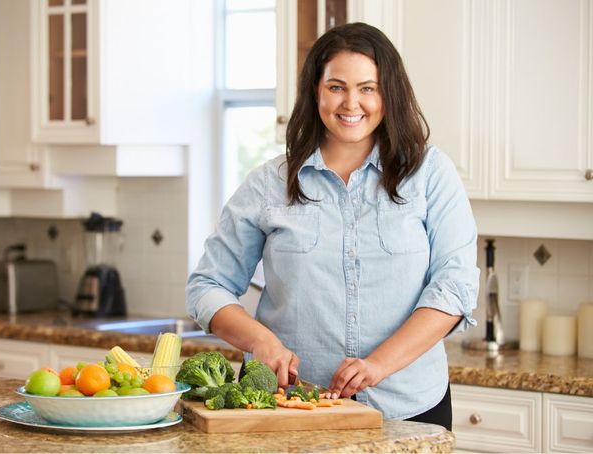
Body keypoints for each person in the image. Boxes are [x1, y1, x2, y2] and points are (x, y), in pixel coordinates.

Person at [186, 22, 479, 430]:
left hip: (409, 406)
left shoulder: (429, 174)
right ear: (316, 91)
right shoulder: (269, 184)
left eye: (367, 88)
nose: (351, 103)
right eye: (336, 87)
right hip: (287, 407)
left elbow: (455, 287)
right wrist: (260, 340)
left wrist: (378, 365)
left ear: (388, 94)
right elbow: (207, 285)